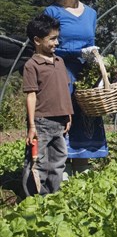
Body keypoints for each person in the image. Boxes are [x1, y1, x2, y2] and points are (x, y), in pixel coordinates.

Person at [44, 0, 107, 175]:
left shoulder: (91, 13)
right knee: (61, 116)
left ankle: (82, 163)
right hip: (59, 70)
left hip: (84, 71)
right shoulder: (52, 12)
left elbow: (91, 42)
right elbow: (47, 43)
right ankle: (60, 166)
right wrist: (71, 52)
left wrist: (95, 60)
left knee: (85, 114)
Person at [22, 14, 73, 196]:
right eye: (52, 39)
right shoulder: (32, 65)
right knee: (38, 162)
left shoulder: (60, 62)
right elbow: (31, 96)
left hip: (60, 121)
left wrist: (68, 114)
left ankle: (53, 195)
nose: (56, 43)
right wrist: (32, 126)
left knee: (58, 160)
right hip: (41, 121)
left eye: (57, 38)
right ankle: (34, 199)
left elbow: (64, 91)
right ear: (37, 40)